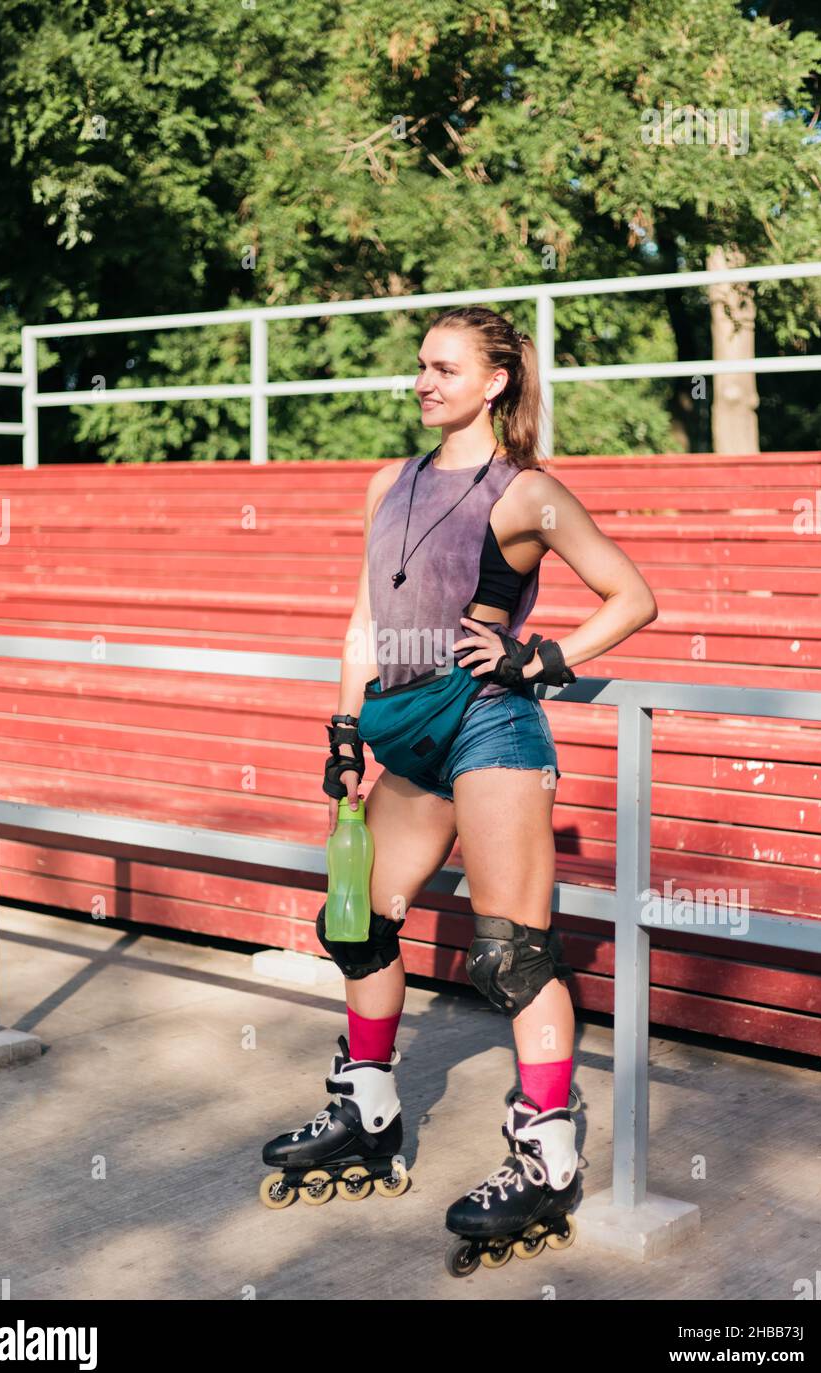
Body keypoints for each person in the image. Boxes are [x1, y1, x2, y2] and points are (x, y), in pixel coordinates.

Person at [261, 306, 658, 1257]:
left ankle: (546, 1156)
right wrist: (348, 728)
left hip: (487, 723)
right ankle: (368, 1110)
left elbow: (633, 596)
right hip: (405, 732)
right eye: (420, 367)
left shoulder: (525, 494)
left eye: (445, 368)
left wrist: (543, 660)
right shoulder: (386, 483)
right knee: (356, 922)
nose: (424, 381)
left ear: (495, 383)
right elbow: (364, 618)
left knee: (512, 955)